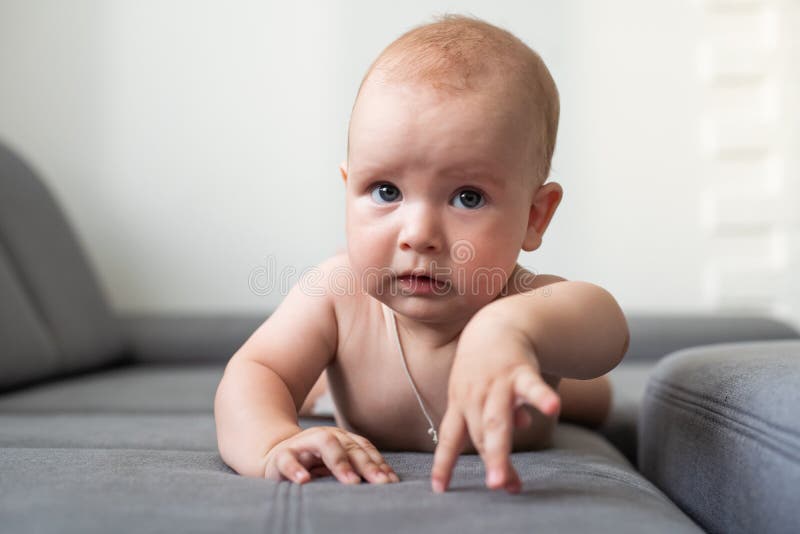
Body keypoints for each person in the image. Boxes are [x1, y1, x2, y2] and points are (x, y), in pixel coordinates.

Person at [214, 14, 629, 495]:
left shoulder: (524, 302)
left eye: (467, 197)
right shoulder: (335, 294)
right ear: (348, 191)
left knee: (591, 397)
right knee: (304, 381)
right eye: (386, 191)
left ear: (535, 216)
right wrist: (274, 440)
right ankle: (325, 384)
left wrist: (510, 331)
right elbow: (254, 371)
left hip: (545, 369)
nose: (418, 235)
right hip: (346, 365)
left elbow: (606, 326)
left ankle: (564, 387)